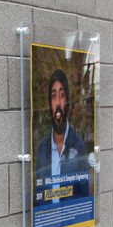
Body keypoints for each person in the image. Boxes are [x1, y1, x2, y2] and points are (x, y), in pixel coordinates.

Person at [34, 69, 89, 205]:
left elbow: (83, 196)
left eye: (62, 95)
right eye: (53, 96)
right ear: (49, 104)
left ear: (68, 101)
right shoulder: (42, 149)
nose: (58, 102)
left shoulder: (78, 146)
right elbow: (38, 197)